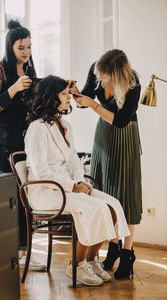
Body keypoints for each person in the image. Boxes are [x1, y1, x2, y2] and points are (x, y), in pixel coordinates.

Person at [24, 75, 130, 286]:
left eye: (67, 93)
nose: (69, 98)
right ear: (49, 97)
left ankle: (90, 260)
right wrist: (72, 185)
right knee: (94, 208)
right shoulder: (37, 128)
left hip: (67, 186)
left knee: (112, 205)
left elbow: (73, 160)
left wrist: (81, 182)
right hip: (46, 191)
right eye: (63, 94)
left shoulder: (65, 125)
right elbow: (41, 170)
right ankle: (77, 263)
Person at [69, 49, 142, 279]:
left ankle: (127, 253)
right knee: (106, 191)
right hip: (103, 135)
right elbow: (85, 99)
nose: (99, 78)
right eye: (97, 74)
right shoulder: (96, 70)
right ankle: (112, 246)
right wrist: (76, 94)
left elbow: (120, 121)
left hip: (124, 135)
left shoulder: (133, 82)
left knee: (125, 193)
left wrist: (92, 105)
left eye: (103, 76)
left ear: (117, 74)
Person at [0, 19, 45, 271]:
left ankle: (24, 254)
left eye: (29, 47)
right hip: (2, 143)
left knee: (23, 199)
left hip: (24, 142)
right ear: (10, 47)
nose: (26, 52)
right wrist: (14, 89)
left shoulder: (30, 71)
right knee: (4, 200)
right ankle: (3, 254)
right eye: (21, 48)